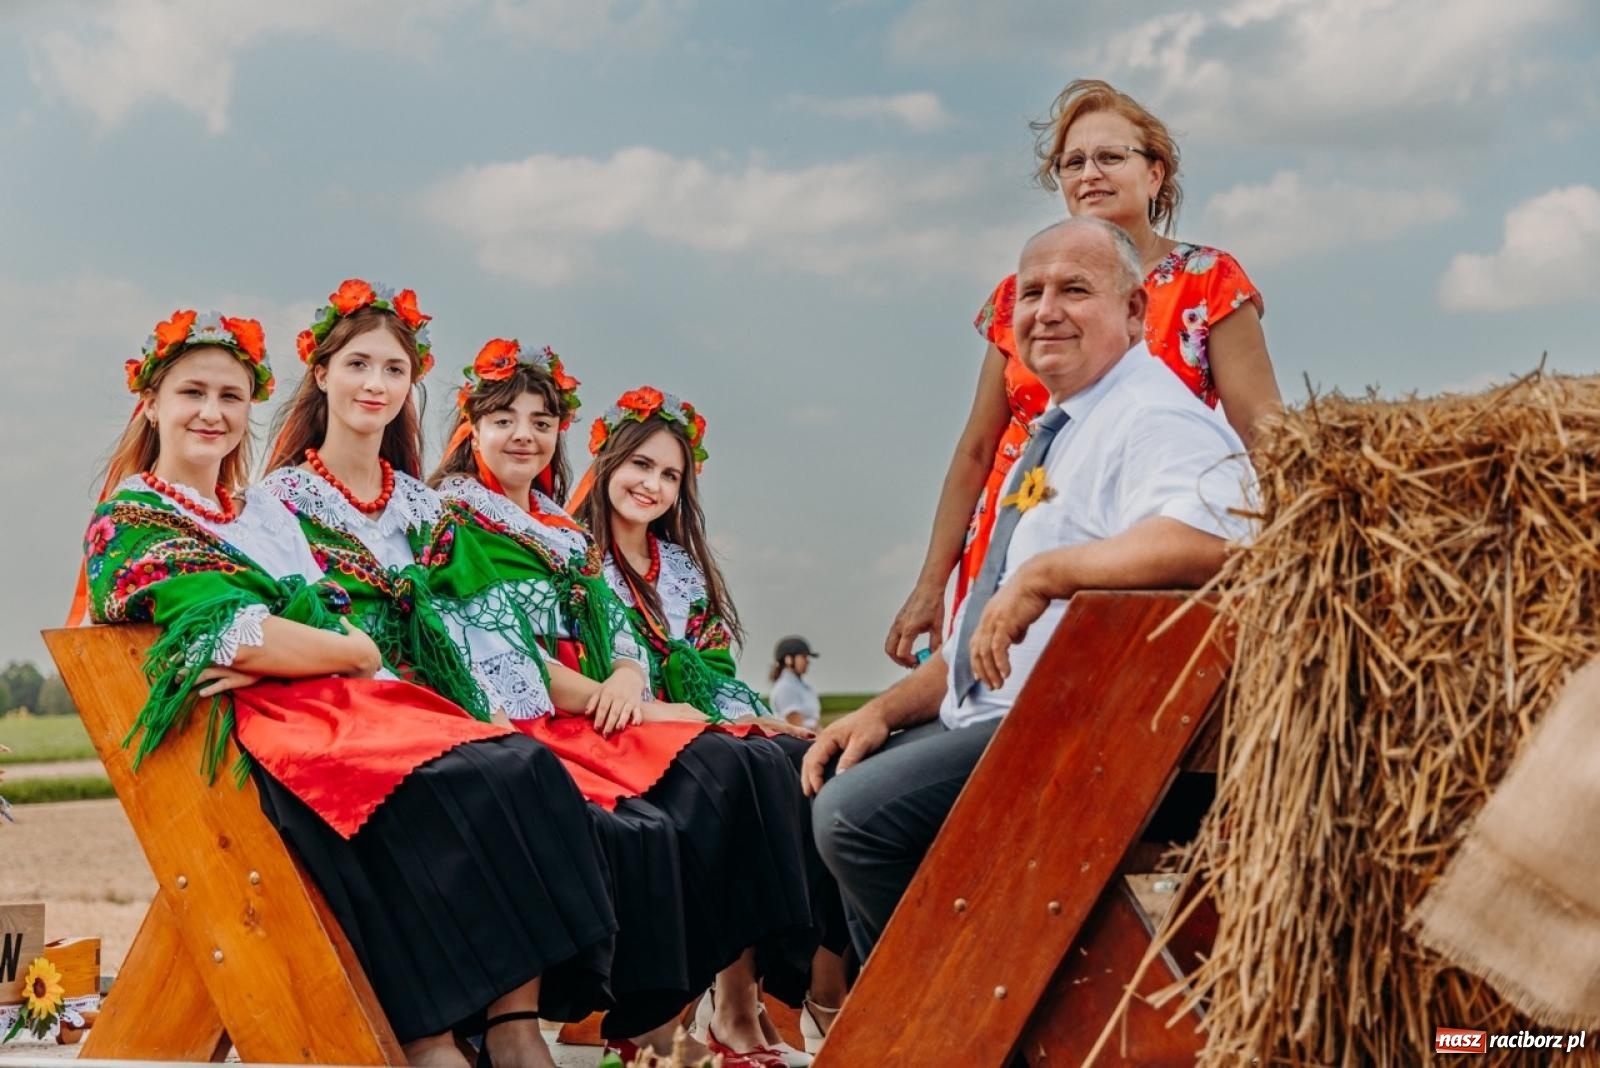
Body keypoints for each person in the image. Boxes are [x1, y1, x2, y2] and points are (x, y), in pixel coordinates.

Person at [80, 309, 617, 1068]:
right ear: (152, 404)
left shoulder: (256, 510)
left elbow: (309, 616)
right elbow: (230, 628)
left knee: (519, 765)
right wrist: (338, 649)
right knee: (465, 786)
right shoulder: (131, 518)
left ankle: (511, 1024)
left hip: (330, 708)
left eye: (231, 398)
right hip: (261, 739)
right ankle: (428, 1032)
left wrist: (326, 647)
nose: (212, 413)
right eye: (192, 393)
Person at [804, 218, 1258, 957]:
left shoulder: (1153, 418)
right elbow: (975, 638)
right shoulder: (1062, 427)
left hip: (1083, 735)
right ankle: (911, 1024)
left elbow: (1221, 541)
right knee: (832, 773)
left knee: (856, 817)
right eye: (1031, 292)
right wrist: (883, 710)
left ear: (1137, 312)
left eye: (1075, 290)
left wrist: (1050, 573)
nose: (1045, 309)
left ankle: (970, 1011)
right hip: (1008, 718)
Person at [426, 342, 821, 1066]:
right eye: (504, 417)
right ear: (469, 425)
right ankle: (688, 1013)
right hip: (544, 715)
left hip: (607, 707)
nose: (523, 433)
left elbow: (622, 640)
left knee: (788, 761)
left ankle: (786, 993)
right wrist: (636, 700)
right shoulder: (455, 519)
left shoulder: (562, 532)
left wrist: (635, 679)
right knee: (734, 770)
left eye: (541, 421)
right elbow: (500, 647)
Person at [885, 78, 1281, 667]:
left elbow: (1264, 434)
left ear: (1155, 174)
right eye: (1073, 162)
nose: (1089, 173)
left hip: (1126, 536)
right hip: (1010, 529)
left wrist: (1293, 557)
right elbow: (976, 449)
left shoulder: (1207, 279)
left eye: (1110, 157)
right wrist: (929, 583)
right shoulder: (1020, 296)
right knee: (980, 718)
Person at [576, 388, 849, 1058]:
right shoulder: (574, 559)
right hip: (614, 728)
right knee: (743, 769)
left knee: (808, 761)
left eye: (670, 475)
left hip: (687, 723)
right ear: (608, 463)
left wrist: (759, 718)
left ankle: (820, 985)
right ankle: (732, 1003)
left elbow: (714, 671)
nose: (652, 485)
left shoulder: (682, 570)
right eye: (641, 466)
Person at [768, 637, 822, 734]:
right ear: (789, 659)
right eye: (803, 657)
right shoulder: (785, 688)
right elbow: (798, 727)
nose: (808, 661)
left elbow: (815, 723)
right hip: (799, 743)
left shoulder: (804, 687)